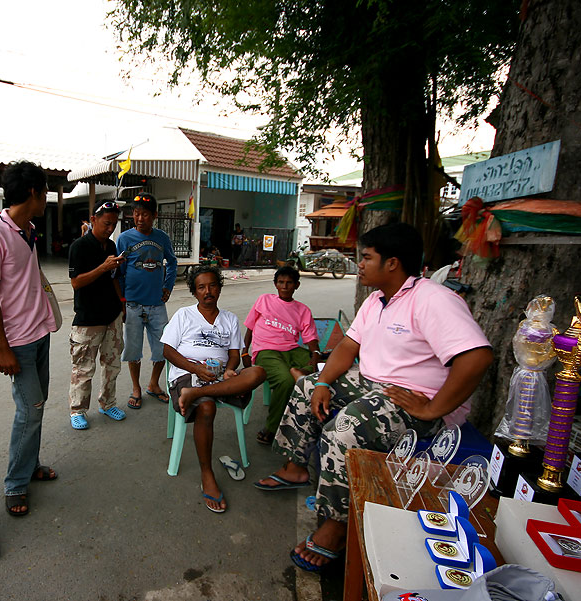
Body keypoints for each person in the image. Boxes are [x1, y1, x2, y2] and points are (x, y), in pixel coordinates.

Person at [256, 222, 493, 572]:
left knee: (343, 429)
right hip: (373, 383)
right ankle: (296, 469)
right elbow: (348, 346)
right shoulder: (376, 300)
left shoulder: (433, 299)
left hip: (413, 398)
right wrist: (321, 382)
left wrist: (433, 408)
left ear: (392, 263)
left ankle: (335, 528)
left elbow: (477, 357)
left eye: (366, 258)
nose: (360, 265)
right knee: (306, 386)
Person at [0, 161, 58, 518]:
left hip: (40, 332)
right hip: (18, 342)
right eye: (44, 192)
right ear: (32, 193)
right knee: (30, 410)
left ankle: (31, 464)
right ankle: (15, 483)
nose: (46, 199)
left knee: (37, 406)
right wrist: (2, 348)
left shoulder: (29, 229)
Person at [162, 266, 267, 512]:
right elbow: (167, 351)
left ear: (219, 287)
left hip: (221, 379)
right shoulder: (184, 315)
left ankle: (196, 395)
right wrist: (195, 370)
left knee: (258, 372)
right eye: (201, 287)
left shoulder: (229, 319)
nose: (208, 291)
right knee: (207, 407)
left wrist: (231, 369)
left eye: (212, 286)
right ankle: (207, 473)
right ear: (194, 292)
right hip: (188, 376)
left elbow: (234, 354)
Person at [242, 265, 320, 446]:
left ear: (297, 285)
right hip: (267, 351)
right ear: (275, 284)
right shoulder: (264, 300)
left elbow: (310, 338)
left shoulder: (302, 310)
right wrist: (245, 351)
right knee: (285, 380)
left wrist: (315, 354)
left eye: (289, 283)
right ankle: (272, 427)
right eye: (281, 282)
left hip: (291, 350)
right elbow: (250, 328)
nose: (285, 286)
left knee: (327, 364)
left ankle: (299, 370)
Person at [67, 200, 127, 430]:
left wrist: (121, 304)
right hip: (87, 318)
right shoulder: (79, 247)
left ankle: (108, 402)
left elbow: (113, 279)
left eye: (113, 224)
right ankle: (78, 410)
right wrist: (102, 267)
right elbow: (76, 282)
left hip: (111, 315)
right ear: (93, 220)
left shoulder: (111, 247)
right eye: (106, 223)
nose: (110, 228)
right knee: (83, 368)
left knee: (112, 364)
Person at [116, 192, 178, 409]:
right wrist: (122, 302)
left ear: (155, 215)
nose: (140, 218)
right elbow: (119, 272)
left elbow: (172, 262)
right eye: (136, 214)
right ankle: (136, 388)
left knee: (163, 348)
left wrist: (167, 287)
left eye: (145, 214)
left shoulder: (162, 238)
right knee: (133, 350)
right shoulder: (124, 239)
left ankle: (153, 384)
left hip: (157, 305)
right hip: (133, 304)